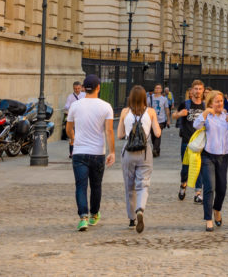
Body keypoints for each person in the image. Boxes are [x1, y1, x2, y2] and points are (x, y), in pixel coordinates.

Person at [65, 74, 115, 231]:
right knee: (96, 185)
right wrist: (112, 151)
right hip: (97, 153)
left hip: (79, 152)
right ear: (98, 87)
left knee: (80, 186)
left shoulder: (75, 106)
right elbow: (108, 131)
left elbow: (68, 129)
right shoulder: (106, 106)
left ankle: (83, 217)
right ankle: (94, 214)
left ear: (84, 88)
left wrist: (73, 139)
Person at [116, 85, 161, 233]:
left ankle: (131, 219)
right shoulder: (151, 112)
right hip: (145, 151)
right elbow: (158, 133)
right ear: (144, 98)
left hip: (128, 152)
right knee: (143, 183)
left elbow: (120, 135)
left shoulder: (124, 112)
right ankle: (140, 209)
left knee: (129, 186)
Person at [193, 90, 228, 232]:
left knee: (222, 188)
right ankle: (208, 219)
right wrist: (205, 113)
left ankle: (217, 209)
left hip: (223, 156)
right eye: (216, 101)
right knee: (209, 187)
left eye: (220, 101)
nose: (219, 103)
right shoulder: (207, 117)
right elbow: (196, 125)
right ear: (210, 103)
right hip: (208, 155)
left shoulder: (226, 117)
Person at [172, 80, 206, 202]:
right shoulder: (185, 104)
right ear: (191, 90)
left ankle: (198, 193)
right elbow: (173, 116)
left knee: (199, 167)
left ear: (203, 91)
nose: (197, 91)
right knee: (186, 168)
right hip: (187, 141)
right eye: (195, 88)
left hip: (201, 143)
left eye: (200, 89)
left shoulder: (205, 106)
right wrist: (179, 114)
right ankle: (183, 184)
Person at [146, 84, 170, 157]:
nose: (157, 89)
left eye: (159, 88)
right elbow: (146, 108)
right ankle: (157, 149)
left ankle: (155, 150)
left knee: (158, 135)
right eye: (156, 88)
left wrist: (168, 119)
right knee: (153, 136)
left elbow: (166, 109)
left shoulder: (164, 99)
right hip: (151, 120)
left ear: (161, 90)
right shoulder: (149, 98)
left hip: (161, 120)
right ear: (154, 89)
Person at [63, 81, 84, 151]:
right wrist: (66, 107)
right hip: (73, 119)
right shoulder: (70, 96)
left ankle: (79, 151)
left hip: (82, 118)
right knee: (72, 136)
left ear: (81, 88)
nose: (77, 90)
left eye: (78, 88)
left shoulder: (84, 95)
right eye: (75, 89)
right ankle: (71, 153)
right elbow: (67, 105)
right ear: (73, 88)